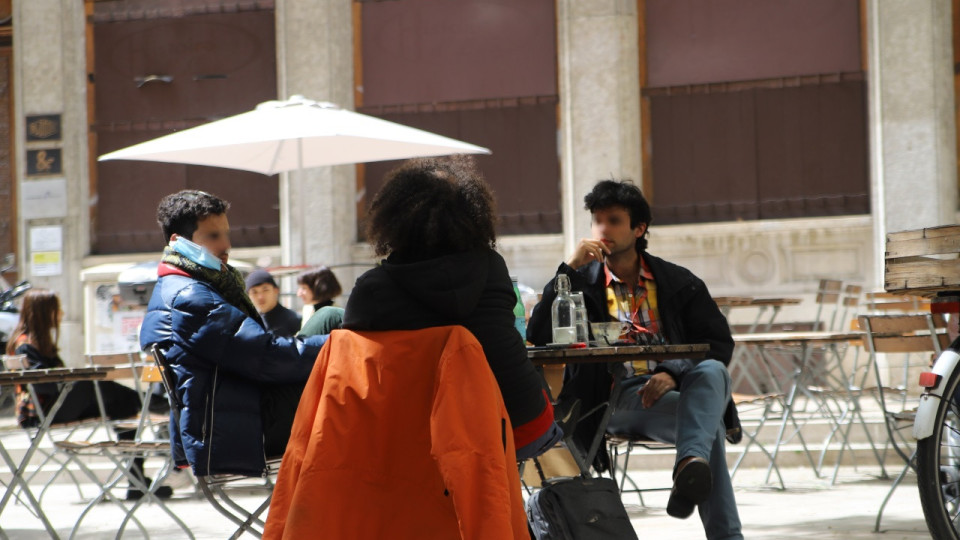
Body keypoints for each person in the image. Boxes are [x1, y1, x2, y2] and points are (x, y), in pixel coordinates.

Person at [527, 179, 743, 540]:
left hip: (672, 391)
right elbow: (538, 330)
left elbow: (718, 343)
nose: (602, 229)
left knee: (712, 370)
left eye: (613, 220)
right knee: (709, 427)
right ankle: (712, 507)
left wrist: (672, 372)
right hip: (613, 397)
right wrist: (568, 268)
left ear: (639, 228)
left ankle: (690, 465)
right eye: (597, 220)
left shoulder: (677, 281)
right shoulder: (582, 281)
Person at [341, 155, 562, 460]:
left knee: (329, 321)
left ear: (394, 219)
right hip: (520, 424)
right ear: (474, 214)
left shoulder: (374, 288)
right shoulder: (492, 267)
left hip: (429, 442)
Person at [138, 190, 328, 477]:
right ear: (178, 242)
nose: (226, 244)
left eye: (226, 233)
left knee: (329, 318)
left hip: (236, 415)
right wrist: (339, 345)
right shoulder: (191, 296)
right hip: (240, 428)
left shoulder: (183, 285)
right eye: (213, 236)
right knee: (335, 329)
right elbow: (268, 357)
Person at [6, 289, 170, 500]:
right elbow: (44, 387)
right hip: (42, 414)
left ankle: (136, 481)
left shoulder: (34, 343)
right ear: (44, 312)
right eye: (57, 309)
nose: (61, 314)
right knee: (95, 384)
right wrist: (68, 379)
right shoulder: (25, 345)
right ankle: (153, 403)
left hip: (53, 409)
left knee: (120, 406)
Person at [245, 268, 301, 338]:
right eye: (254, 292)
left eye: (265, 290)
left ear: (276, 290)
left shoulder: (294, 320)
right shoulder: (250, 324)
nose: (260, 297)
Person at [296, 266, 343, 336]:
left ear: (319, 288)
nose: (298, 294)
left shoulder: (335, 315)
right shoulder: (307, 309)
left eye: (304, 288)